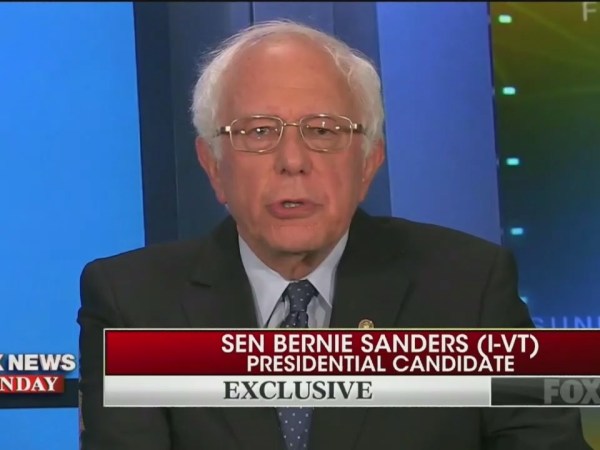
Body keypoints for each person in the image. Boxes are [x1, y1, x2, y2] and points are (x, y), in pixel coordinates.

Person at [77, 19, 591, 450]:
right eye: (258, 132)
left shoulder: (472, 287)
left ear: (369, 162)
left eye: (323, 130)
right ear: (212, 166)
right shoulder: (132, 305)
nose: (292, 161)